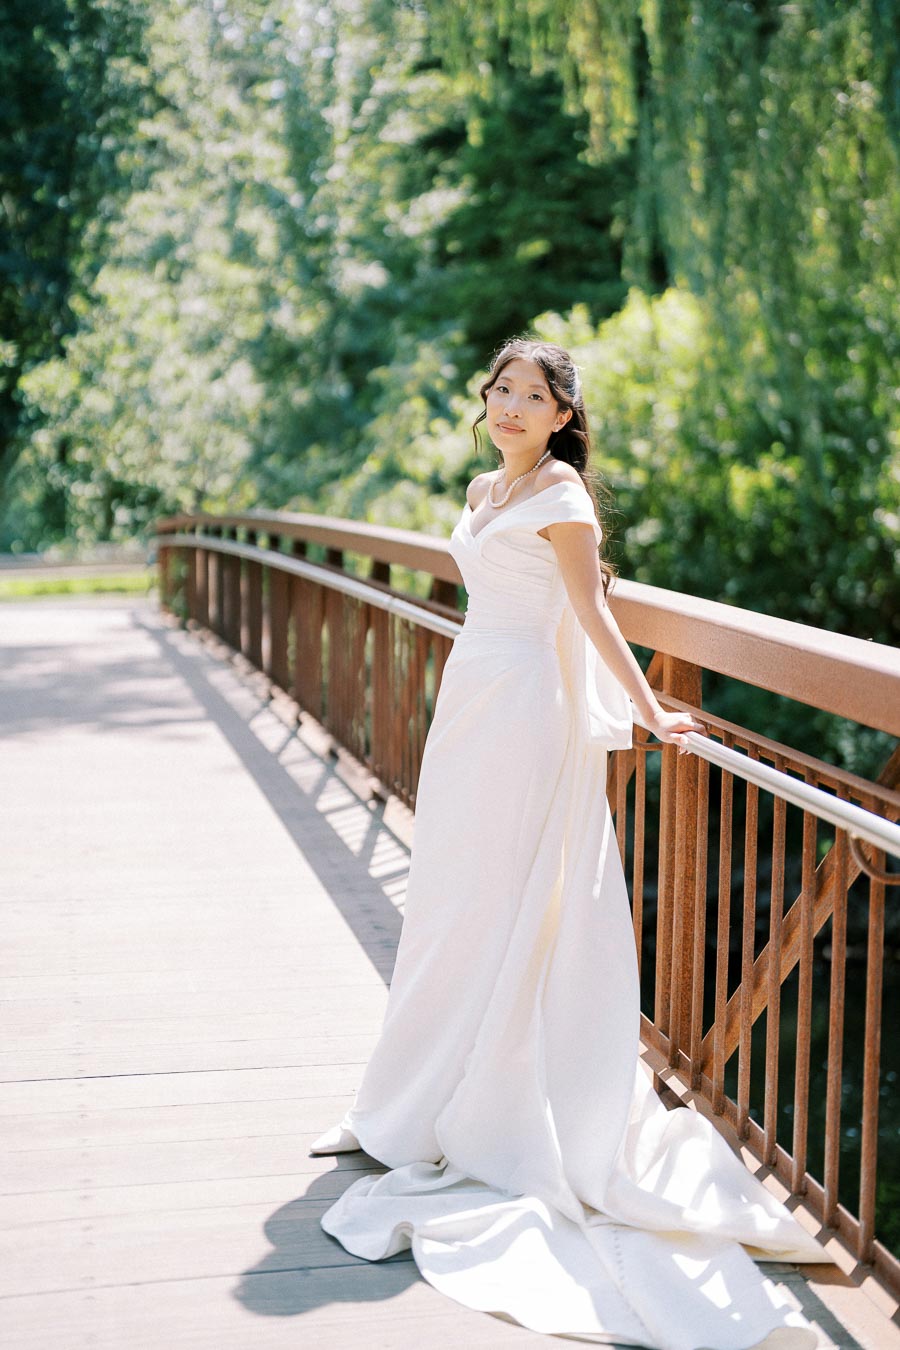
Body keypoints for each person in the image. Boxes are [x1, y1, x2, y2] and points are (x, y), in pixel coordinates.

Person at [312, 339, 830, 1348]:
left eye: (531, 395)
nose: (509, 406)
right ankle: (405, 1104)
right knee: (454, 903)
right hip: (473, 700)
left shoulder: (565, 501)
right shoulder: (482, 483)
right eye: (500, 390)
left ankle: (488, 1108)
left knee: (505, 902)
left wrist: (649, 712)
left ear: (561, 414)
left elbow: (592, 613)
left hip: (526, 718)